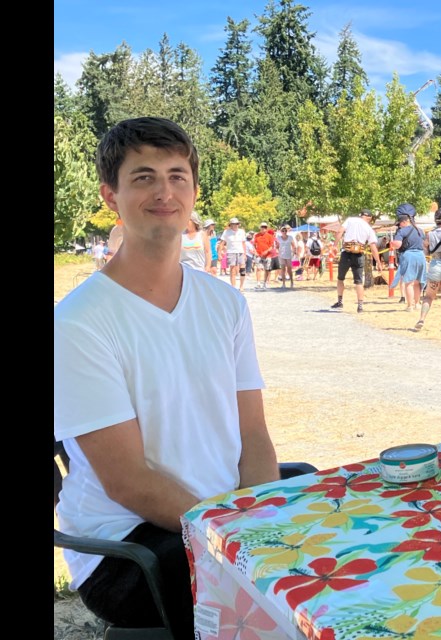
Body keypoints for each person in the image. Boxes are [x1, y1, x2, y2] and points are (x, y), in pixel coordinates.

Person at [53, 117, 279, 640]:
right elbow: (127, 480)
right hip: (127, 543)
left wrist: (263, 513)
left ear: (195, 191)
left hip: (222, 515)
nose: (165, 191)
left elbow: (254, 434)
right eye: (144, 177)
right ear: (111, 196)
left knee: (328, 537)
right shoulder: (78, 323)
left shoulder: (225, 303)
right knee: (263, 599)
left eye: (178, 176)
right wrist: (235, 532)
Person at [332, 209, 383, 312]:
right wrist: (378, 262)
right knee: (359, 281)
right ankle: (360, 306)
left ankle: (340, 301)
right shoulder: (369, 228)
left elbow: (340, 231)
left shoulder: (350, 220)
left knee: (340, 278)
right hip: (359, 254)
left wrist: (335, 245)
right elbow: (373, 247)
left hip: (346, 253)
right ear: (369, 218)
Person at [389, 203, 427, 311]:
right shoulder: (420, 230)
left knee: (409, 282)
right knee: (418, 282)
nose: (399, 225)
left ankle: (410, 305)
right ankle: (418, 304)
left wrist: (392, 243)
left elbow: (398, 244)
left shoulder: (402, 231)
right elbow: (424, 243)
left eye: (400, 223)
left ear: (405, 221)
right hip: (420, 256)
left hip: (409, 256)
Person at [219, 217, 248, 290]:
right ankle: (233, 287)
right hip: (231, 252)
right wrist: (219, 253)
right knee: (233, 270)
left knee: (242, 269)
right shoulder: (226, 232)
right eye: (233, 224)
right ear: (230, 225)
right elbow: (222, 243)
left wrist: (245, 254)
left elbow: (243, 243)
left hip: (240, 252)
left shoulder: (241, 231)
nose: (235, 225)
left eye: (237, 224)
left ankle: (241, 286)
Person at [253, 222, 277, 290]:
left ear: (266, 228)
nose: (263, 229)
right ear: (260, 228)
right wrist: (255, 252)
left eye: (265, 227)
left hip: (267, 255)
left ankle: (265, 283)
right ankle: (258, 283)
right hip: (259, 255)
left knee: (267, 269)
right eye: (262, 227)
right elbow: (254, 245)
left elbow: (272, 246)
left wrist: (267, 251)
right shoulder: (257, 235)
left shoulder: (269, 236)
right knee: (258, 269)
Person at [276, 225, 296, 289]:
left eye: (285, 231)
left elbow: (293, 245)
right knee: (283, 270)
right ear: (281, 232)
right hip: (281, 255)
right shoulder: (278, 238)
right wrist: (277, 251)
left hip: (288, 255)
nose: (284, 232)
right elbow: (277, 246)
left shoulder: (290, 237)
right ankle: (283, 284)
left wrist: (294, 252)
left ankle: (292, 282)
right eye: (283, 231)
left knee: (289, 270)